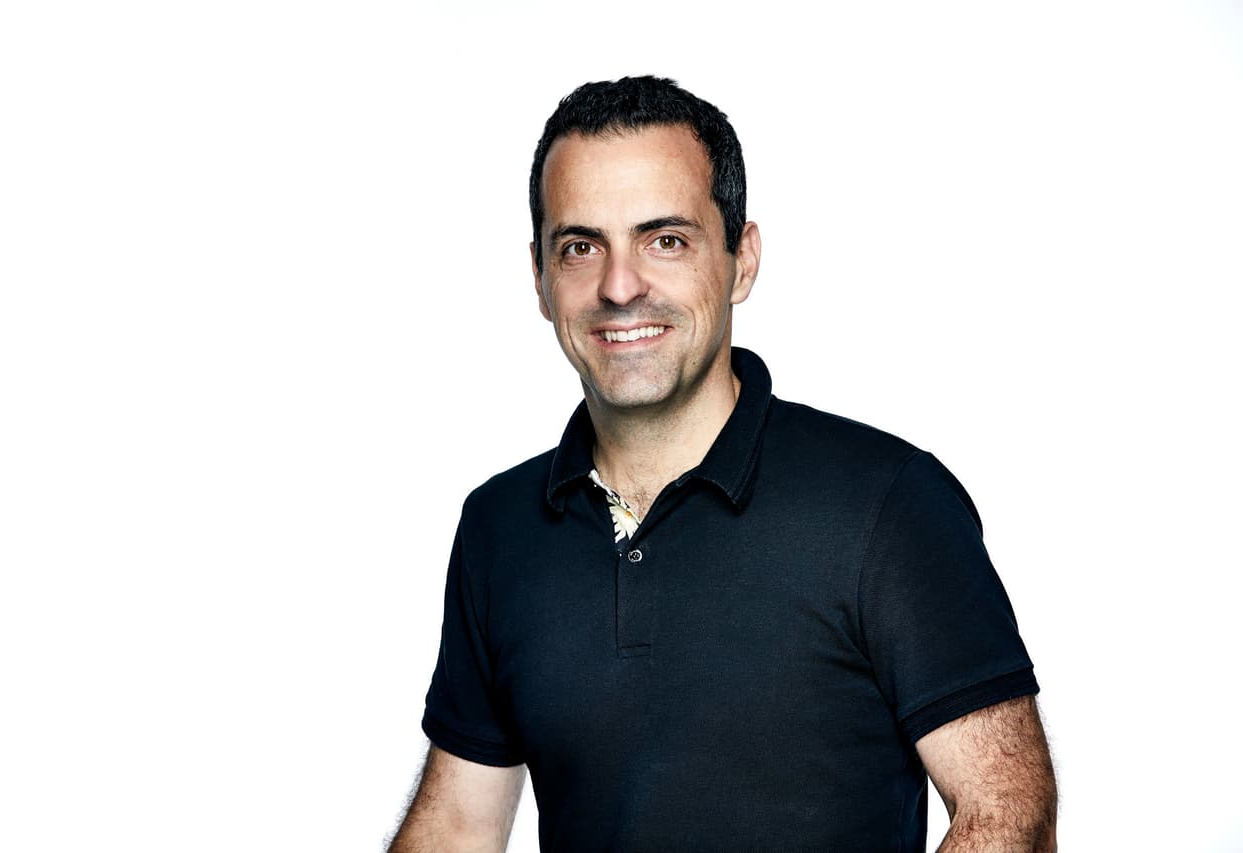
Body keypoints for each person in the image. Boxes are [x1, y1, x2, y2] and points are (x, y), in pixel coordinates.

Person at [389, 76, 1057, 852]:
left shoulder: (887, 502)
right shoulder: (500, 527)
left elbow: (1008, 810)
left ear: (742, 260)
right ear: (539, 277)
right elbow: (459, 823)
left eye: (665, 240)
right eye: (580, 247)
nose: (619, 286)